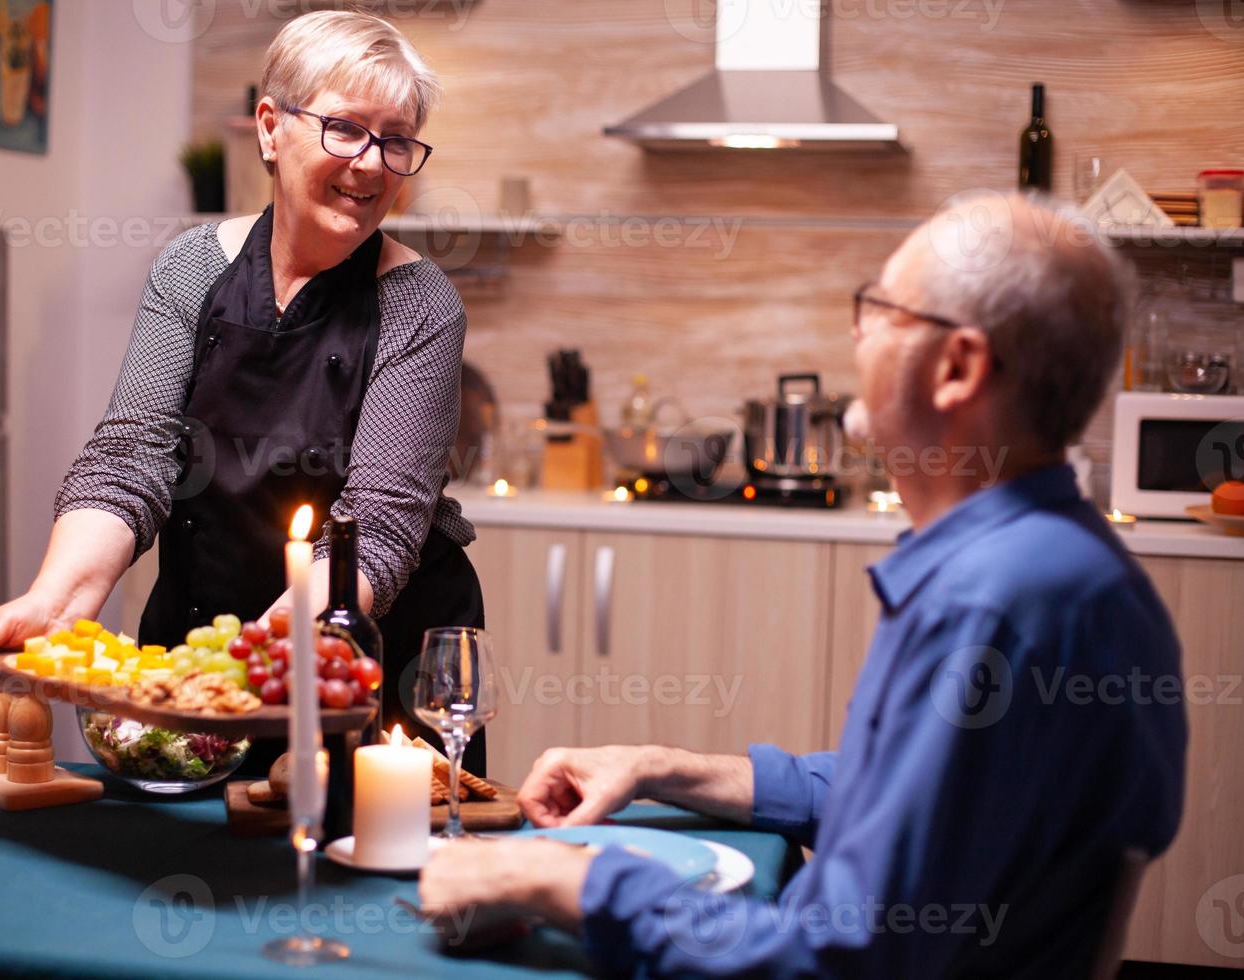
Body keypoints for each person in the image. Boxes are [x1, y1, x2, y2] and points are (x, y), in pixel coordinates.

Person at [418, 193, 1188, 976]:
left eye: (880, 308)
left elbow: (836, 962)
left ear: (957, 368)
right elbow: (900, 796)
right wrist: (660, 766)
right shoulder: (1039, 565)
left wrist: (572, 879)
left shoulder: (996, 604)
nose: (856, 333)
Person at [0, 11, 484, 764]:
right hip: (201, 632)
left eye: (395, 140)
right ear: (271, 128)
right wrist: (57, 602)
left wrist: (258, 664)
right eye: (344, 128)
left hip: (364, 661)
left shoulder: (419, 304)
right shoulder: (190, 269)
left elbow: (380, 521)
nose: (371, 164)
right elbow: (129, 458)